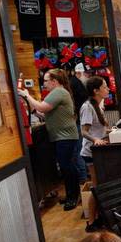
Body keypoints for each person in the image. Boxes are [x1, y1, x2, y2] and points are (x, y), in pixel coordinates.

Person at [19, 69, 84, 211]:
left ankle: (74, 197)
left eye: (46, 81)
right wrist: (35, 111)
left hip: (65, 136)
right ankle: (71, 195)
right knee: (67, 166)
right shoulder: (59, 92)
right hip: (63, 136)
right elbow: (46, 113)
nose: (44, 84)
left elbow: (42, 106)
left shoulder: (58, 92)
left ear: (54, 81)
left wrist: (26, 95)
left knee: (67, 166)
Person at [79, 76, 110, 230]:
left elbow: (99, 128)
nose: (108, 89)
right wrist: (95, 139)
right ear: (96, 90)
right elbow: (84, 132)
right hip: (90, 152)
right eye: (105, 87)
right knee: (97, 187)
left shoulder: (98, 105)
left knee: (101, 185)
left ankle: (99, 217)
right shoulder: (87, 107)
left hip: (98, 151)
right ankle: (91, 222)